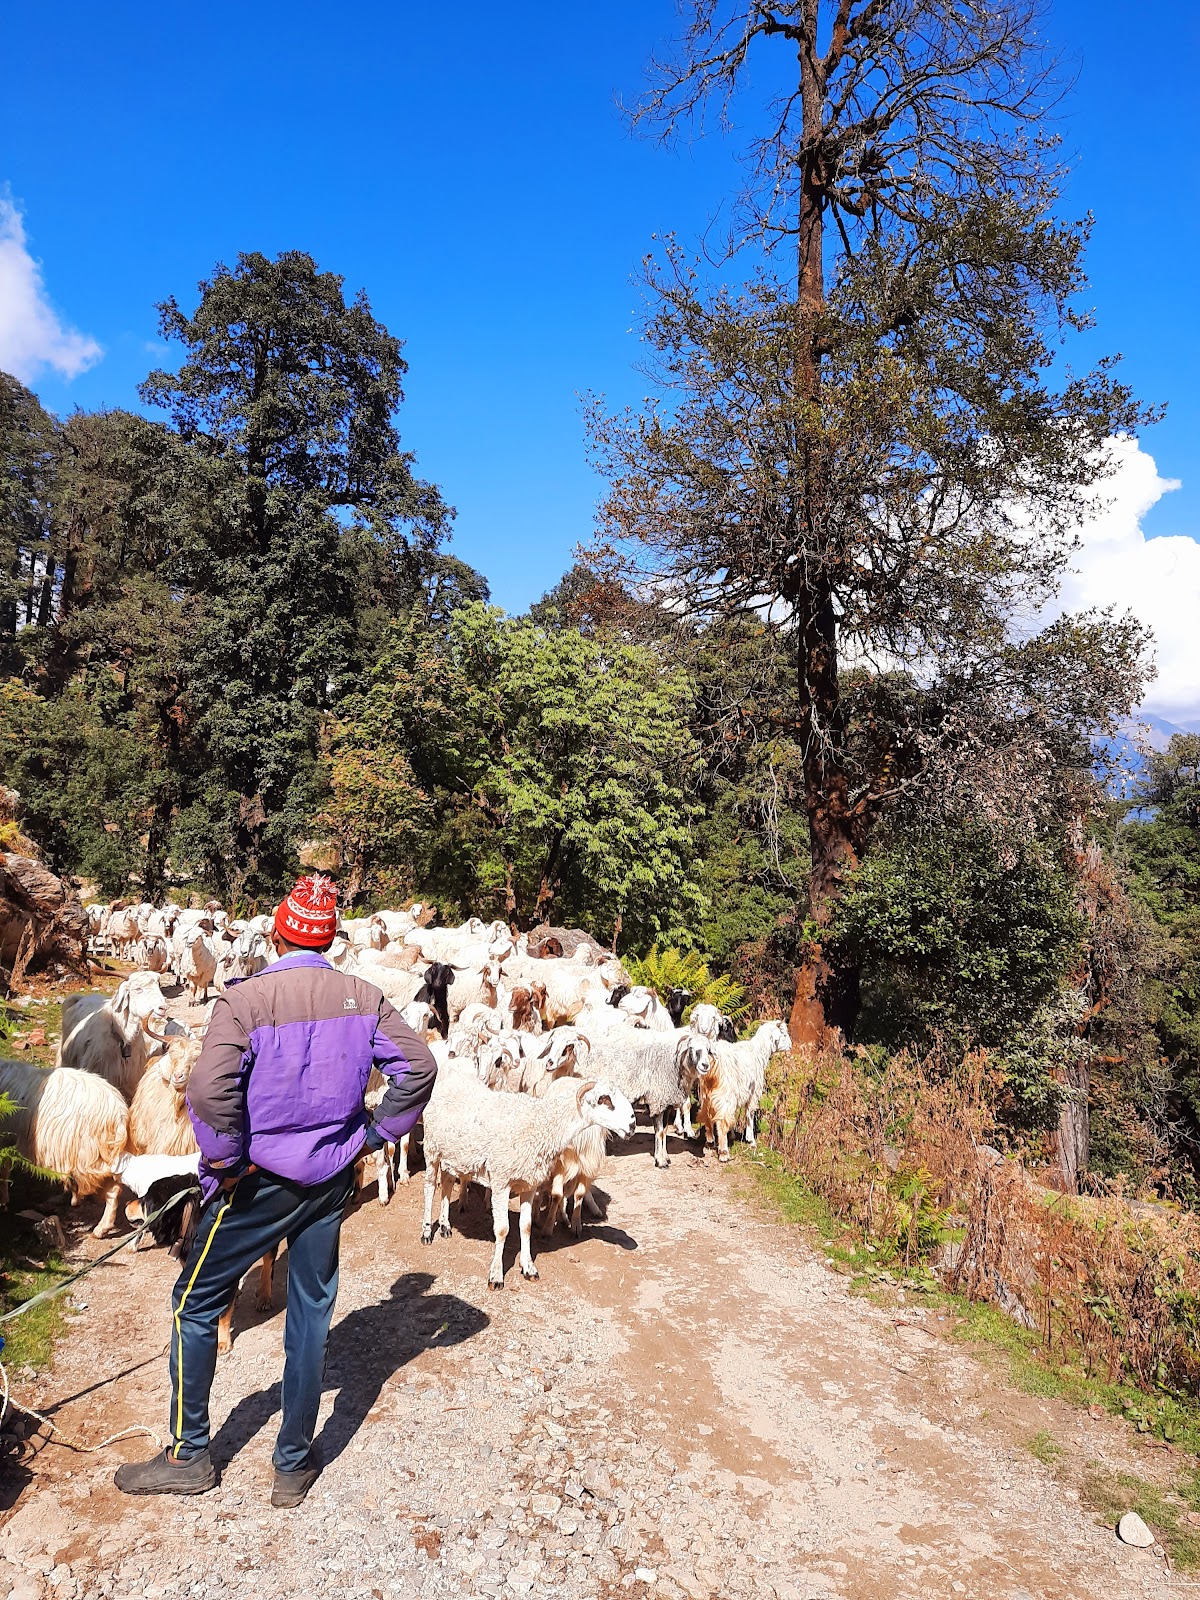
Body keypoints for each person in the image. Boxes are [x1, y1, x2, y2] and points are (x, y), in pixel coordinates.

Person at [114, 873, 438, 1508]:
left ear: (279, 930)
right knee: (312, 1311)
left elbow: (207, 1092)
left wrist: (226, 1159)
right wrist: (373, 1135)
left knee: (195, 1301)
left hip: (255, 1182)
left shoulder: (244, 1002)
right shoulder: (363, 997)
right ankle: (292, 1463)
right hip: (328, 1181)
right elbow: (418, 1067)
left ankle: (190, 1454)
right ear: (331, 939)